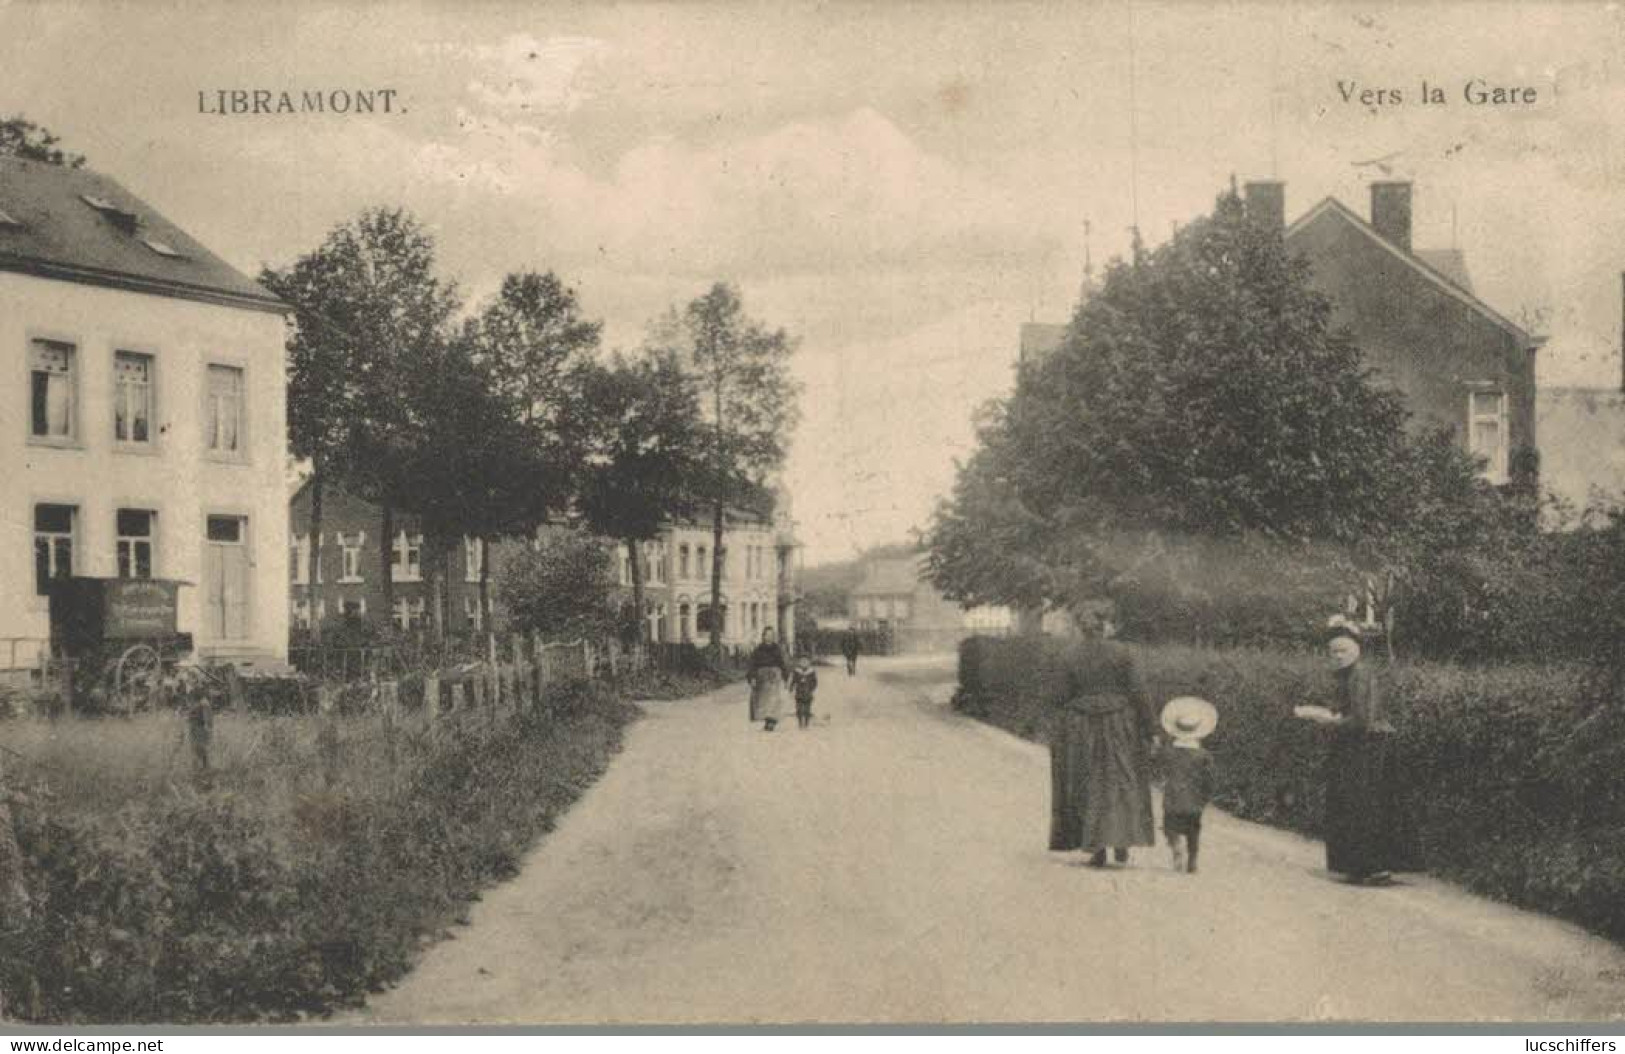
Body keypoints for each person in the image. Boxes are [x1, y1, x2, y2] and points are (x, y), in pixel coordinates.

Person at [1294, 616, 1409, 885]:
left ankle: (1373, 866)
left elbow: (1361, 720)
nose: (1337, 656)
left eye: (1343, 650)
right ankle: (1359, 866)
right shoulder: (1349, 675)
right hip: (1357, 745)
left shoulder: (1360, 675)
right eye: (1333, 652)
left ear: (1356, 650)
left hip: (1368, 747)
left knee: (1364, 804)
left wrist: (1326, 720)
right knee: (1352, 803)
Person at [1049, 622, 1160, 867]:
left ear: (1081, 628)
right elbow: (1139, 691)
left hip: (1082, 726)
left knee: (1088, 781)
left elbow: (1059, 696)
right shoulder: (1125, 652)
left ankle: (1096, 847)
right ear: (1106, 627)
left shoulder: (1068, 655)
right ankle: (1122, 840)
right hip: (1120, 723)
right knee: (1121, 779)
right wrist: (1151, 729)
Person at [1159, 696, 1218, 874]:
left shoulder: (1168, 752)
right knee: (1194, 830)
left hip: (1173, 797)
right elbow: (1210, 778)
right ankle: (1193, 860)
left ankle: (1176, 844)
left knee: (1170, 826)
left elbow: (1160, 768)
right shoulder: (1204, 755)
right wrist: (1207, 795)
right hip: (1195, 799)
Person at [747, 627, 791, 732]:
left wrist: (786, 677)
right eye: (767, 635)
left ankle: (772, 722)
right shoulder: (758, 650)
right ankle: (767, 721)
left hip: (775, 677)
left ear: (774, 637)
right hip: (762, 677)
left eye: (771, 635)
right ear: (763, 636)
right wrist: (752, 677)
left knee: (774, 700)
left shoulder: (778, 649)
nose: (769, 637)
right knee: (763, 701)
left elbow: (783, 664)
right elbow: (752, 665)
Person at [790, 655, 819, 729]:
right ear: (799, 662)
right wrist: (791, 687)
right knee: (799, 708)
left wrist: (811, 688)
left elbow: (815, 682)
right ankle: (800, 722)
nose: (804, 663)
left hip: (808, 692)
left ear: (809, 663)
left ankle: (806, 723)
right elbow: (793, 680)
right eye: (802, 661)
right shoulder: (796, 671)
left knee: (807, 708)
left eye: (806, 661)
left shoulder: (811, 672)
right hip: (799, 692)